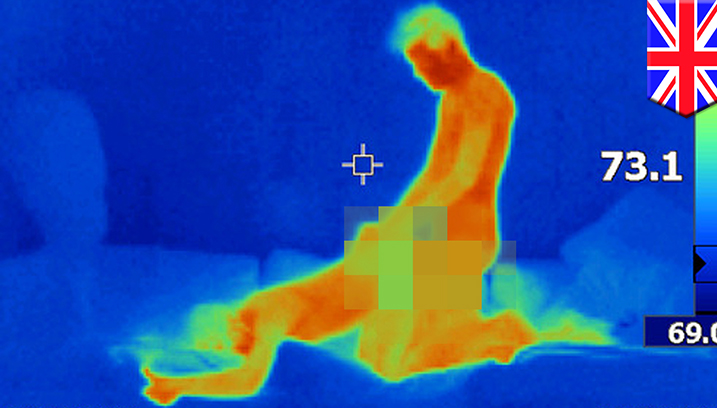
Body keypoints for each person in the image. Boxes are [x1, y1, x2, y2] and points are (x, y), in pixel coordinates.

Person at [142, 5, 536, 405]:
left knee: (403, 363)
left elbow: (462, 179)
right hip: (436, 235)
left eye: (422, 62)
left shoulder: (483, 93)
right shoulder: (452, 98)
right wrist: (393, 224)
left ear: (447, 46)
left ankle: (502, 334)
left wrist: (398, 229)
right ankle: (493, 338)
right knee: (391, 359)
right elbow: (433, 174)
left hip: (462, 236)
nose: (419, 74)